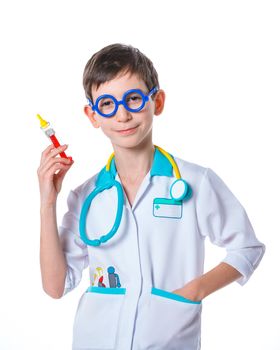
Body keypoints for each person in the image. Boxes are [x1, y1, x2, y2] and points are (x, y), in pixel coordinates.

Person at [37, 43, 265, 350]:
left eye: (133, 99)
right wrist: (47, 202)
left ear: (157, 101)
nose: (122, 115)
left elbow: (247, 248)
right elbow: (55, 286)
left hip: (167, 341)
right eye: (107, 104)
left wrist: (194, 291)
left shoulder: (196, 182)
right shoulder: (86, 196)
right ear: (93, 116)